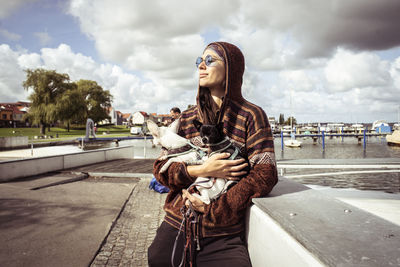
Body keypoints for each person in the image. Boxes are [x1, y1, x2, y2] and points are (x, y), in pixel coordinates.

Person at [148, 42, 278, 267]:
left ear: (231, 68)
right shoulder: (187, 118)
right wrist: (200, 170)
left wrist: (213, 210)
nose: (201, 66)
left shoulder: (252, 115)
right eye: (199, 61)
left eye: (210, 61)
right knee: (157, 259)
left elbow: (265, 173)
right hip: (178, 221)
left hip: (223, 232)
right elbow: (161, 169)